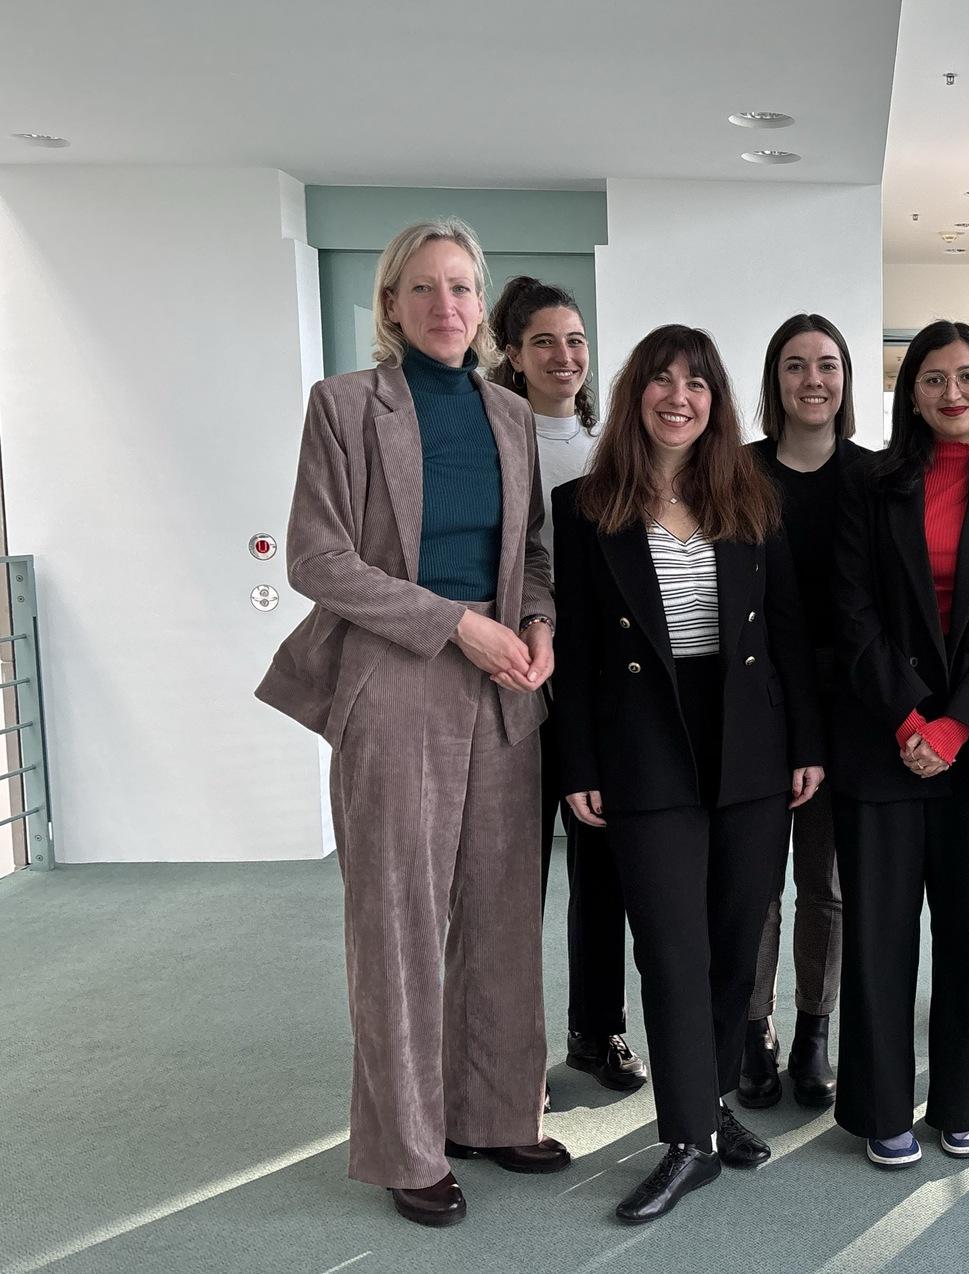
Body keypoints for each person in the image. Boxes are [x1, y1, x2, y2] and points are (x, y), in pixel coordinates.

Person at [257, 218, 568, 1228]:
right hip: (398, 676)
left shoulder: (511, 415)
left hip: (505, 685)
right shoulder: (345, 405)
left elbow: (535, 555)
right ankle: (407, 1143)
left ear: (485, 308)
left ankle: (492, 1109)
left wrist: (537, 623)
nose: (448, 306)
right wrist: (455, 624)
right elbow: (318, 558)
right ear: (390, 302)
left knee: (503, 911)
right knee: (397, 923)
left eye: (465, 288)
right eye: (425, 288)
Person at [550, 324, 825, 1225]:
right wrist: (578, 762)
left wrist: (804, 745)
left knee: (733, 936)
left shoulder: (751, 496)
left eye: (698, 383)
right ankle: (686, 1140)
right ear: (635, 396)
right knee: (669, 945)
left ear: (716, 402)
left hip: (747, 739)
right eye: (662, 380)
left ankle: (704, 1110)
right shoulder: (585, 504)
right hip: (643, 741)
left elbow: (787, 636)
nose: (680, 396)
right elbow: (583, 651)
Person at [832, 320, 969, 1168]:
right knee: (881, 935)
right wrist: (907, 720)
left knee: (967, 935)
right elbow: (849, 612)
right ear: (911, 392)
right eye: (933, 380)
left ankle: (961, 1101)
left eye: (968, 376)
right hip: (880, 741)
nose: (952, 393)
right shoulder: (870, 481)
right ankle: (881, 1107)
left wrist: (957, 726)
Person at [487, 276, 646, 1096]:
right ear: (511, 355)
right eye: (544, 341)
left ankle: (598, 1032)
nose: (564, 355)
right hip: (508, 678)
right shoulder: (492, 439)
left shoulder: (608, 448)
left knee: (603, 871)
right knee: (514, 880)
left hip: (597, 688)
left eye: (576, 340)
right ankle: (513, 1051)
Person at [736, 314, 874, 1109]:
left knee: (825, 882)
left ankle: (815, 1029)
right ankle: (754, 1029)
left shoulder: (873, 474)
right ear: (775, 380)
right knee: (756, 881)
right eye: (794, 366)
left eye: (826, 365)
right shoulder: (738, 473)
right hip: (756, 701)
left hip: (846, 706)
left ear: (845, 379)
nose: (811, 380)